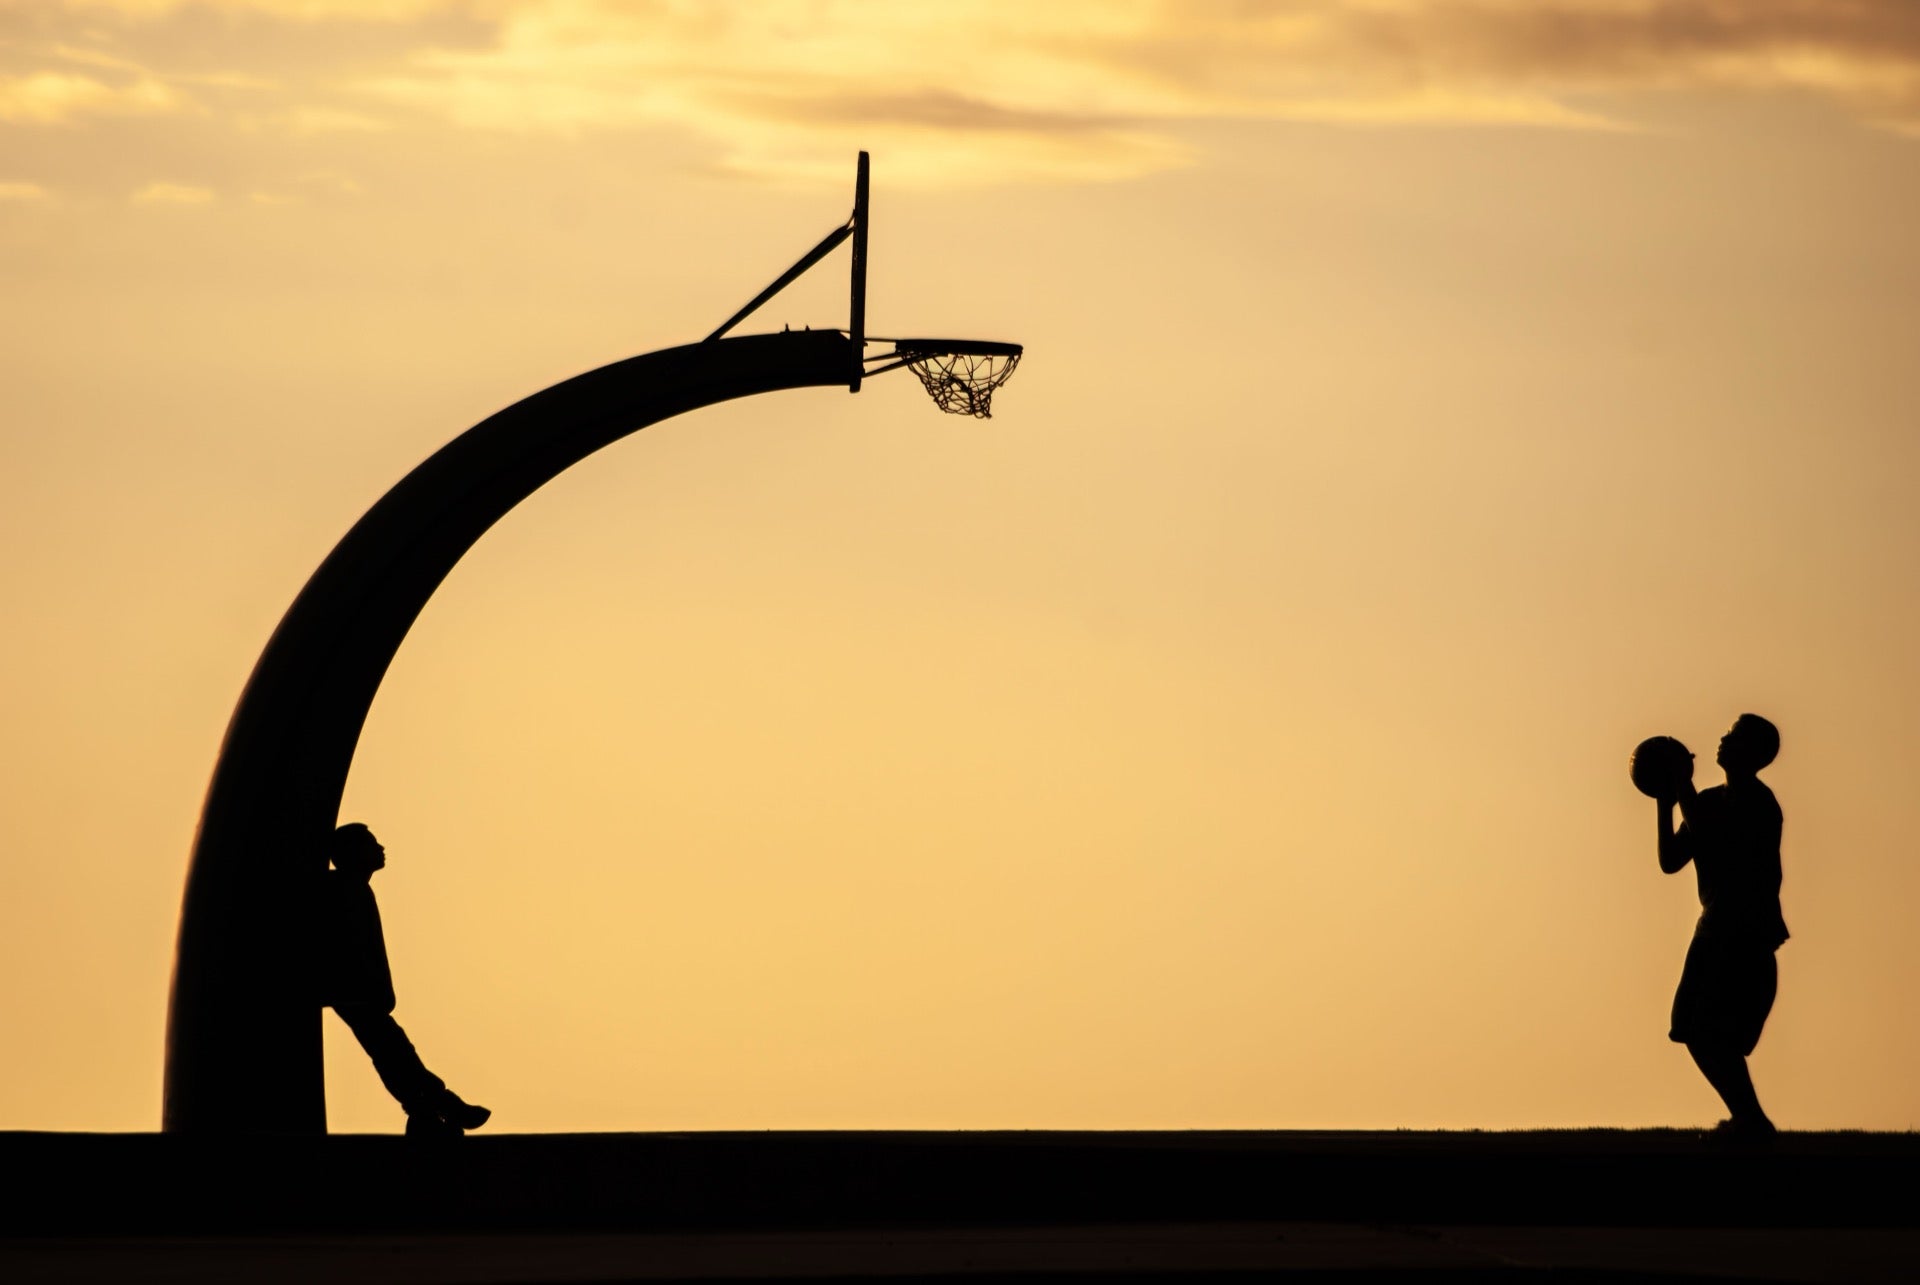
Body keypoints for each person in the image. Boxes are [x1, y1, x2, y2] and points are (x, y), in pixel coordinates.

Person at [1656, 714, 1789, 1141]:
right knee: (1695, 1029)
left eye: (1733, 736)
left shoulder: (1759, 804)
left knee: (1713, 1033)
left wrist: (1680, 786)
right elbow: (1671, 860)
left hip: (1743, 936)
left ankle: (1751, 1122)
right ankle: (1751, 1122)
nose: (1722, 739)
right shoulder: (1708, 802)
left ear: (1753, 754)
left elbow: (1709, 832)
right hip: (1713, 932)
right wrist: (1665, 800)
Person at [320, 822, 491, 1137]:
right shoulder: (347, 890)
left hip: (360, 993)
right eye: (371, 844)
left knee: (392, 1051)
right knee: (393, 1051)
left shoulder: (353, 888)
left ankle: (430, 1107)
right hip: (355, 993)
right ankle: (435, 1104)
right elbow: (356, 951)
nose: (381, 849)